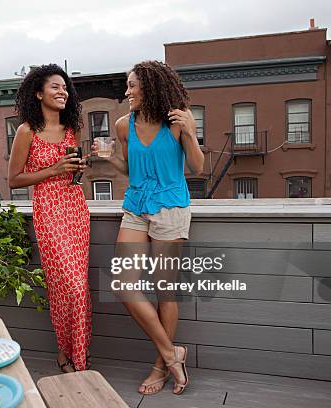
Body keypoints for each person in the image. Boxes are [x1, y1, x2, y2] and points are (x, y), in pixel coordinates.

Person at [92, 61, 204, 395]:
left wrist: (191, 132)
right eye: (126, 86)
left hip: (170, 208)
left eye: (132, 86)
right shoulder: (124, 125)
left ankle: (160, 366)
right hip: (136, 207)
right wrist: (111, 157)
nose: (127, 92)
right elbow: (130, 168)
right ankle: (173, 354)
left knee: (165, 292)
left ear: (150, 87)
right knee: (124, 285)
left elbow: (197, 168)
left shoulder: (178, 119)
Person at [8, 64, 91, 372]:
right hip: (49, 211)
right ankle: (67, 352)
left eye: (65, 87)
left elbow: (74, 174)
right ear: (39, 93)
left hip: (76, 208)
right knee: (66, 285)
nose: (62, 92)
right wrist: (54, 170)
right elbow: (14, 179)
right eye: (55, 87)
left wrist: (78, 169)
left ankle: (75, 356)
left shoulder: (72, 129)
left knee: (79, 285)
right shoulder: (27, 130)